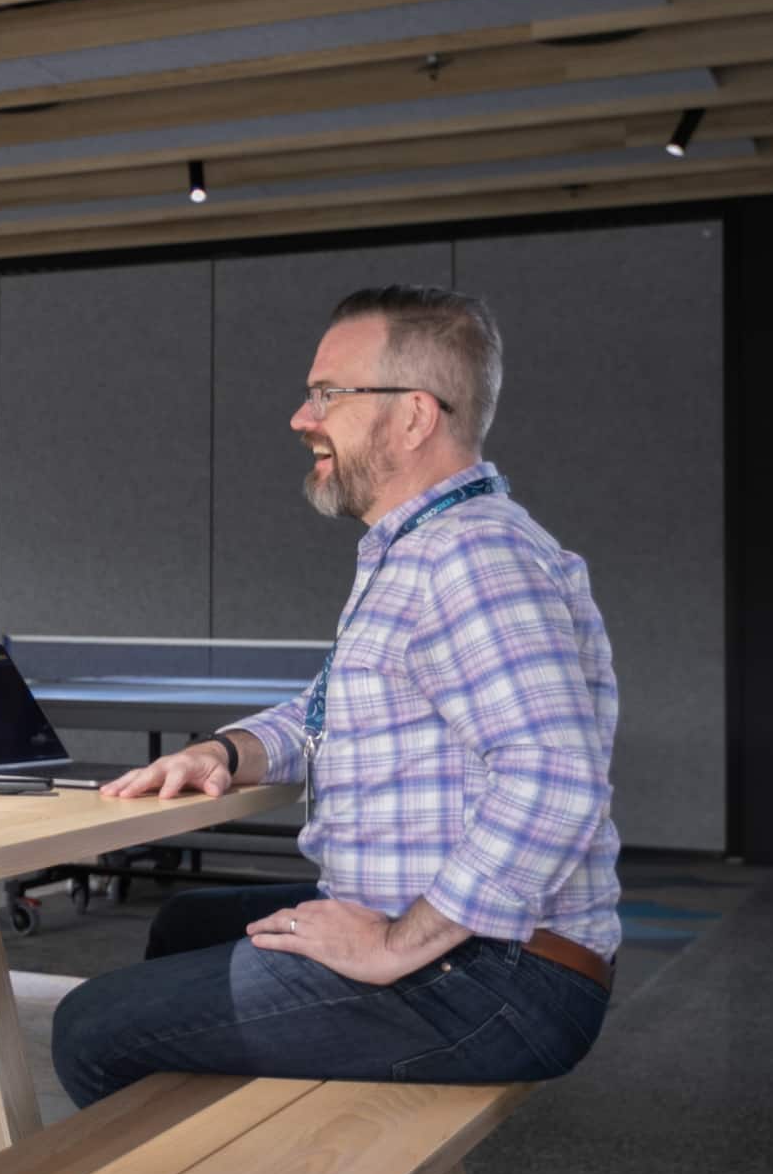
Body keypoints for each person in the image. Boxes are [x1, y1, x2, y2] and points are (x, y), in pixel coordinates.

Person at [55, 285, 620, 1110]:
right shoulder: (415, 550)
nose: (300, 416)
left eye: (329, 393)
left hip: (500, 977)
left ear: (415, 416)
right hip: (473, 947)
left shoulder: (473, 558)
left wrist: (395, 943)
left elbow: (555, 781)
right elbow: (327, 711)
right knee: (185, 927)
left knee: (92, 1029)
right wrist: (225, 752)